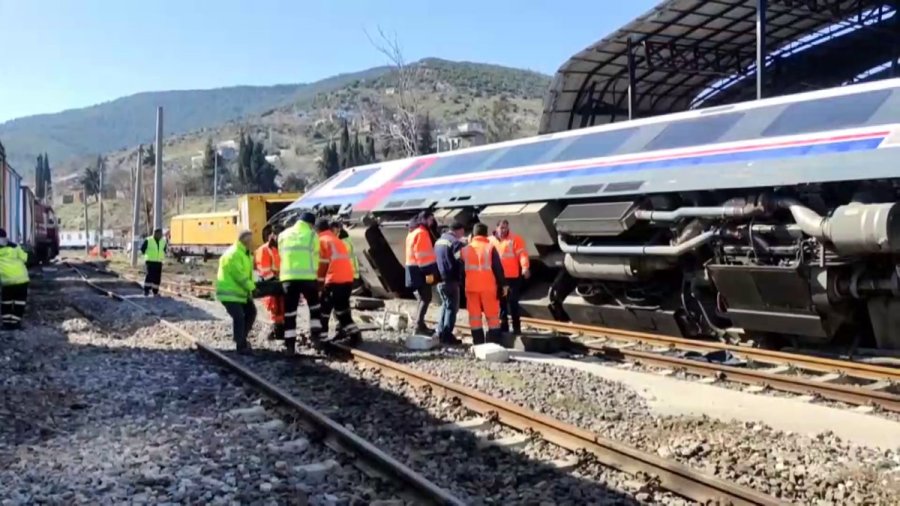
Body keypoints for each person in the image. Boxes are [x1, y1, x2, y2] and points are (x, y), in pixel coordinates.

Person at [279, 211, 322, 353]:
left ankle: (290, 346)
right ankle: (316, 340)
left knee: (290, 313)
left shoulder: (283, 235)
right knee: (315, 309)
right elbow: (316, 255)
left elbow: (281, 254)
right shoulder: (312, 235)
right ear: (311, 224)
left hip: (288, 279)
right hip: (308, 279)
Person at [316, 218, 362, 345]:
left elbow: (322, 265)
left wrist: (319, 286)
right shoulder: (336, 240)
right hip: (347, 281)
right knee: (342, 311)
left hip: (333, 281)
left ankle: (322, 341)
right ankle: (355, 335)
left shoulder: (321, 240)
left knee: (323, 313)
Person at [461, 223, 507, 345]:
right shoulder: (490, 247)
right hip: (488, 287)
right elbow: (498, 268)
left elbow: (459, 268)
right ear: (485, 234)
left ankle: (478, 343)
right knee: (492, 316)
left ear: (473, 234)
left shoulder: (465, 250)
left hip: (471, 287)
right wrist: (504, 285)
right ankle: (494, 343)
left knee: (474, 317)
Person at [216, 230, 257, 353]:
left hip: (239, 293)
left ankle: (241, 339)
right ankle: (240, 344)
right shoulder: (234, 254)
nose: (252, 243)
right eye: (250, 240)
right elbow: (239, 276)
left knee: (251, 312)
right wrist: (253, 288)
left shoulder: (245, 254)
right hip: (229, 293)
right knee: (239, 316)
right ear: (245, 241)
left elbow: (247, 275)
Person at [491, 219, 531, 335]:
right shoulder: (491, 241)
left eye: (506, 228)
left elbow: (522, 254)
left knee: (513, 302)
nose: (504, 230)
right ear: (496, 228)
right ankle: (504, 328)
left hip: (512, 278)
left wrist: (525, 267)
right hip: (499, 279)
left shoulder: (515, 239)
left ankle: (516, 329)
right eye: (502, 228)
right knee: (502, 303)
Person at [405, 211, 439, 335]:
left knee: (421, 298)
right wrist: (429, 274)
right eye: (430, 219)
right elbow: (423, 257)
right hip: (421, 271)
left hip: (413, 270)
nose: (432, 222)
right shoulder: (422, 233)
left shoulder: (412, 232)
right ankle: (418, 326)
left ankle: (420, 325)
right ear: (424, 219)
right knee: (426, 297)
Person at [433, 221, 466, 345]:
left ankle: (440, 332)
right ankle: (447, 335)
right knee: (452, 307)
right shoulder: (455, 243)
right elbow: (459, 261)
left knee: (445, 305)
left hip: (439, 279)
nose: (462, 234)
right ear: (458, 230)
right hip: (451, 279)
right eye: (462, 232)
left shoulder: (438, 241)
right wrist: (462, 276)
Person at [254, 224, 284, 341]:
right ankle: (275, 332)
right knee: (275, 309)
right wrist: (276, 279)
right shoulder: (263, 250)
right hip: (271, 285)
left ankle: (279, 332)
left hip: (280, 283)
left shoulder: (281, 248)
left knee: (282, 308)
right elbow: (264, 271)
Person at [0, 229, 29, 330]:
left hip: (7, 281)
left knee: (6, 302)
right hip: (21, 280)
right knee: (19, 302)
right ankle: (16, 323)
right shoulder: (15, 247)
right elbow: (25, 258)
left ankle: (6, 324)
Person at [140, 228, 167, 296]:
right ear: (155, 233)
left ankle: (155, 291)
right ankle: (146, 290)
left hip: (158, 262)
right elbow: (142, 249)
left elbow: (164, 250)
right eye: (159, 234)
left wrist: (162, 257)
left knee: (157, 278)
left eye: (161, 234)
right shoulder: (148, 240)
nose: (161, 235)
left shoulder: (163, 241)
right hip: (150, 261)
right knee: (149, 276)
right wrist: (146, 256)